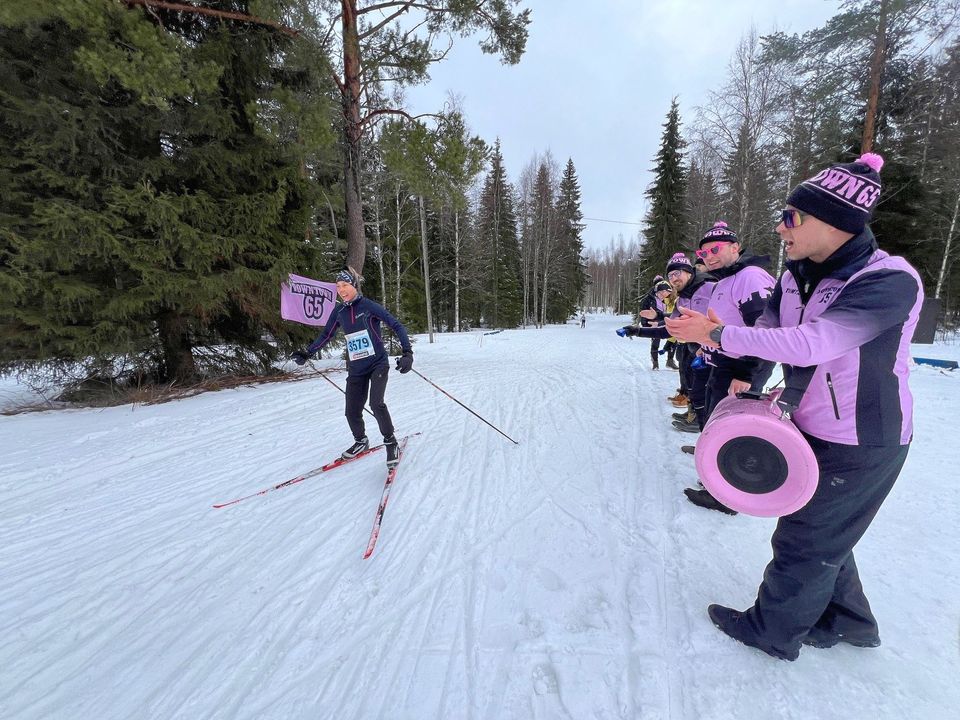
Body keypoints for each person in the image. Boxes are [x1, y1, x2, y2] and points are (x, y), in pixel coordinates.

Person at [665, 153, 924, 661]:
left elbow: (813, 343)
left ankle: (772, 631)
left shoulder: (888, 280)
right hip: (812, 422)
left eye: (791, 217)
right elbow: (768, 334)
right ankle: (849, 621)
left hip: (867, 435)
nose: (780, 227)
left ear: (834, 221)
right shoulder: (796, 276)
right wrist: (716, 342)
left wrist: (715, 331)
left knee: (806, 538)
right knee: (827, 531)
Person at [679, 222, 776, 514]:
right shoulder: (724, 281)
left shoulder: (750, 277)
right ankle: (717, 480)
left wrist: (747, 372)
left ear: (735, 247)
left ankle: (726, 496)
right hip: (725, 361)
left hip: (743, 365)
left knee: (731, 431)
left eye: (716, 249)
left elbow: (765, 329)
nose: (709, 255)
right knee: (713, 420)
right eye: (704, 251)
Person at [291, 268, 414, 468]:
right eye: (338, 286)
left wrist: (408, 353)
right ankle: (361, 441)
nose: (341, 289)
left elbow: (396, 325)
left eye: (345, 285)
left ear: (354, 286)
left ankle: (391, 442)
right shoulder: (339, 312)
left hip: (377, 363)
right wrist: (308, 352)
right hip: (357, 368)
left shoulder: (368, 306)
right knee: (351, 411)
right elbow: (326, 335)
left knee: (376, 404)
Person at [638, 279, 673, 369]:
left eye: (664, 292)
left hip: (668, 322)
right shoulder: (649, 299)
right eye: (660, 292)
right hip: (654, 323)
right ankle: (655, 362)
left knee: (673, 340)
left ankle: (670, 360)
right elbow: (644, 312)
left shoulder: (670, 299)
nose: (662, 295)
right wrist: (645, 324)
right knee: (655, 341)